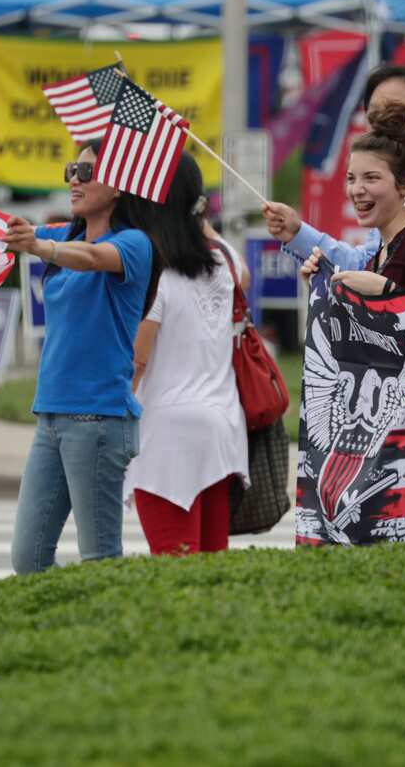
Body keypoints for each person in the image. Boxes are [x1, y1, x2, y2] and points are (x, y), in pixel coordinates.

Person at [0, 141, 156, 574]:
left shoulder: (134, 243)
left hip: (98, 420)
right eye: (71, 170)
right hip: (50, 418)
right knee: (27, 558)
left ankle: (110, 636)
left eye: (86, 172)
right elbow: (1, 228)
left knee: (100, 560)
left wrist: (42, 248)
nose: (74, 180)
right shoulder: (64, 234)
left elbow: (94, 258)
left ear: (119, 186)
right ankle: (60, 632)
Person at [124, 153, 247, 556]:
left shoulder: (153, 272)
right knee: (212, 569)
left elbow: (137, 363)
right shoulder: (224, 261)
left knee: (176, 569)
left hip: (168, 435)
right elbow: (238, 269)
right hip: (224, 428)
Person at [265, 64, 405, 263]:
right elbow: (367, 264)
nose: (383, 128)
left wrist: (386, 290)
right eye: (375, 118)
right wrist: (298, 232)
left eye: (397, 116)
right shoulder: (386, 188)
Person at [299, 101, 405, 296]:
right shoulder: (379, 255)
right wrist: (322, 288)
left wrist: (387, 290)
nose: (356, 189)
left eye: (371, 178)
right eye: (351, 178)